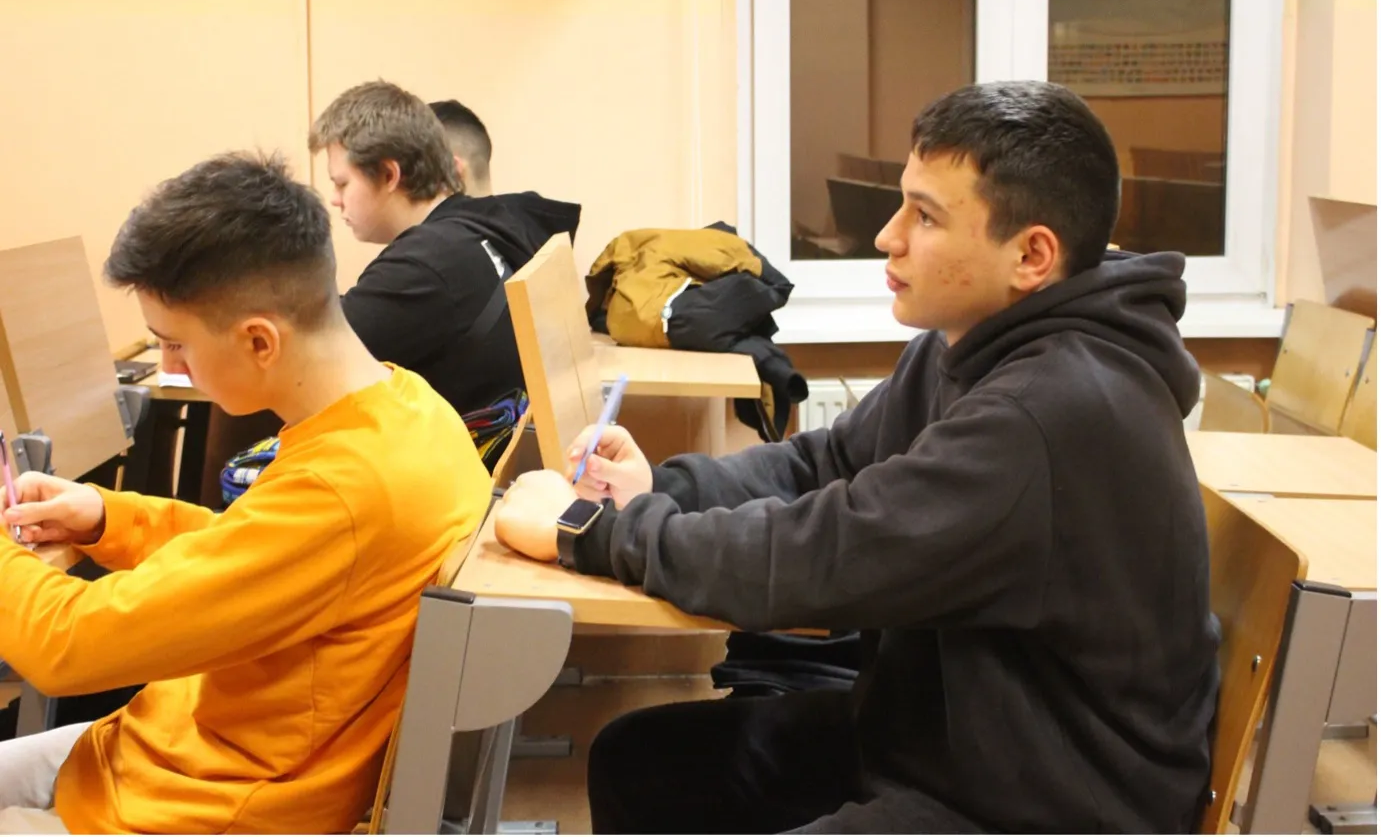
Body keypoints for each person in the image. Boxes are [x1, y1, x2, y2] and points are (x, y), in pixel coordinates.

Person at [492, 80, 1220, 833]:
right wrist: (660, 488)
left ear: (1031, 255)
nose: (887, 236)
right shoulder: (968, 345)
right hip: (950, 739)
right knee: (641, 758)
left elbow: (821, 557)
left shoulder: (1048, 413)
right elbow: (826, 464)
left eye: (925, 216)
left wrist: (589, 530)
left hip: (1043, 801)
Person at [0, 152, 491, 833]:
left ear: (259, 340)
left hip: (193, 809)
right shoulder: (405, 405)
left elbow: (69, 647)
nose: (170, 369)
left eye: (174, 347)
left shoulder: (343, 488)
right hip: (164, 756)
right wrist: (106, 518)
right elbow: (253, 551)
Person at [309, 82, 578, 418]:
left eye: (342, 183)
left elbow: (307, 357)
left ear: (389, 175)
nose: (334, 199)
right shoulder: (485, 232)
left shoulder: (429, 262)